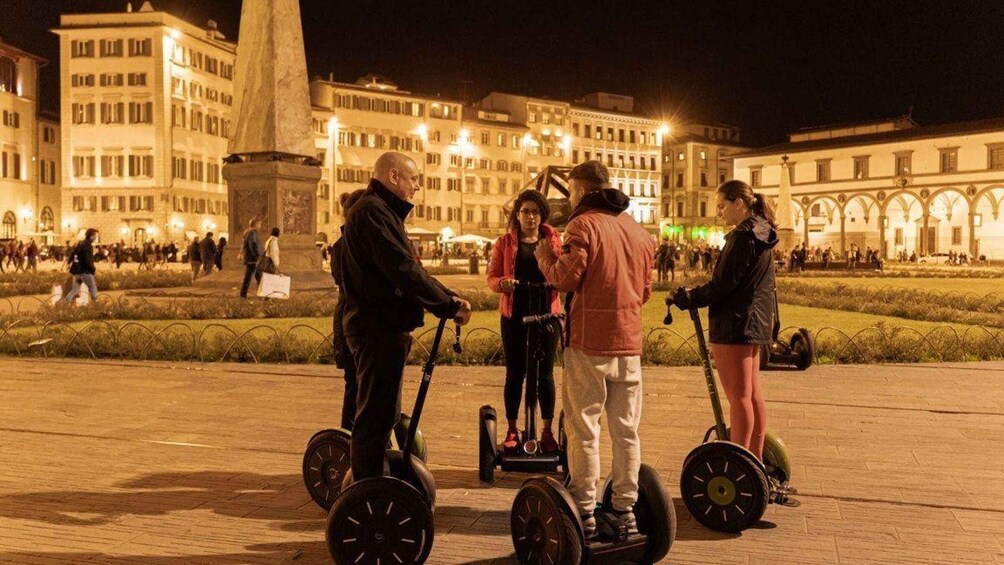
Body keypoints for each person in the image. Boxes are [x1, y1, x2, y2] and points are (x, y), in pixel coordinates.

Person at [535, 160, 654, 539]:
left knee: (584, 427)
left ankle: (584, 509)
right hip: (629, 342)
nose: (568, 199)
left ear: (582, 190)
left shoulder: (583, 224)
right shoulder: (638, 231)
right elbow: (645, 291)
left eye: (571, 192)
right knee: (626, 430)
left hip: (589, 341)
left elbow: (565, 279)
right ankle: (625, 509)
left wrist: (543, 255)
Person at [340, 151, 472, 482]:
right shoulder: (373, 212)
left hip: (382, 327)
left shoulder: (382, 212)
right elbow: (402, 268)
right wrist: (447, 306)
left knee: (381, 416)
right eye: (413, 179)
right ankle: (368, 493)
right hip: (376, 328)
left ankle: (374, 486)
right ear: (394, 176)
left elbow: (410, 267)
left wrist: (448, 297)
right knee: (374, 419)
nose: (416, 186)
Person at [672, 179, 778, 465]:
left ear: (739, 204)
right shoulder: (763, 231)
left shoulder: (743, 237)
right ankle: (753, 458)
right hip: (754, 323)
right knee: (752, 395)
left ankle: (739, 460)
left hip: (734, 325)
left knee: (739, 397)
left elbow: (723, 285)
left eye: (722, 206)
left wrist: (690, 297)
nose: (719, 212)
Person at [487, 189, 562, 455]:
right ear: (517, 214)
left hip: (547, 313)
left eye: (535, 212)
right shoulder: (505, 243)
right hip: (514, 313)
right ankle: (511, 429)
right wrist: (503, 284)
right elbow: (492, 277)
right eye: (525, 211)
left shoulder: (553, 241)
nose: (530, 217)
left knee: (545, 375)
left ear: (542, 216)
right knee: (515, 372)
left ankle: (546, 430)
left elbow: (563, 271)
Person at [331, 189, 366, 430]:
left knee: (357, 386)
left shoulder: (342, 245)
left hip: (349, 318)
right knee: (355, 385)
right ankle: (349, 442)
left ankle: (353, 441)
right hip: (353, 321)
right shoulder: (347, 246)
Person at [65, 228, 100, 304]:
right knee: (93, 288)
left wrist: (69, 262)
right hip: (85, 272)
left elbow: (73, 254)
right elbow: (88, 260)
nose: (96, 238)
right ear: (91, 236)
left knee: (74, 290)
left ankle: (65, 303)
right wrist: (93, 269)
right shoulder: (88, 246)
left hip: (76, 272)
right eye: (95, 236)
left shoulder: (81, 244)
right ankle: (95, 305)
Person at [239, 218, 263, 298]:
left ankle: (264, 294)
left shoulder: (249, 233)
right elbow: (252, 245)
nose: (260, 226)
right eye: (259, 224)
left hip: (251, 259)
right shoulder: (252, 233)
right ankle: (243, 294)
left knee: (259, 277)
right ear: (255, 224)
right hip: (252, 260)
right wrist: (257, 256)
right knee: (248, 278)